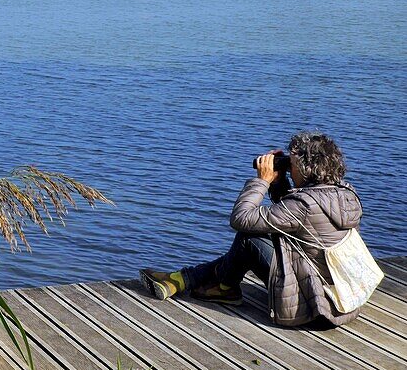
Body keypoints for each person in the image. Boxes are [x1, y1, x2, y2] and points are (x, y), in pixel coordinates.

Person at [140, 131, 364, 327]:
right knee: (261, 233)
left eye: (292, 163)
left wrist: (262, 181)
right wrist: (280, 182)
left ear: (307, 169)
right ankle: (185, 280)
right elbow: (289, 216)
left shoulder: (304, 205)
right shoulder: (344, 194)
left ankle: (212, 285)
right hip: (340, 300)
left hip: (313, 309)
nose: (288, 166)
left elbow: (241, 218)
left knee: (249, 236)